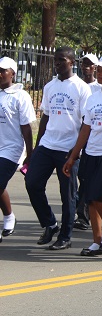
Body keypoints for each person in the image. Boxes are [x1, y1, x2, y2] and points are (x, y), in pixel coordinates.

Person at [25, 47, 91, 250]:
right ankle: (50, 224)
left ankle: (65, 235)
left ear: (72, 62)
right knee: (32, 182)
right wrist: (37, 146)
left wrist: (77, 150)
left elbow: (86, 121)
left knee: (67, 194)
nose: (57, 63)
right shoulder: (50, 86)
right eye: (56, 60)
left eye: (62, 60)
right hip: (47, 144)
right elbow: (45, 116)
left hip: (68, 148)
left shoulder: (81, 88)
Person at [62, 55, 102, 256]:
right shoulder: (93, 97)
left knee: (99, 196)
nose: (99, 73)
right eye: (99, 69)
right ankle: (96, 241)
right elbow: (85, 129)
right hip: (91, 152)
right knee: (89, 198)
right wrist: (74, 155)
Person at [0, 57, 36, 242]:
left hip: (11, 149)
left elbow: (26, 128)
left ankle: (7, 218)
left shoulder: (20, 96)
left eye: (3, 70)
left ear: (12, 74)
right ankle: (9, 216)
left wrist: (29, 155)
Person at [73, 53, 102, 230]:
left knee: (87, 178)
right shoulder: (76, 85)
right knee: (80, 175)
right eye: (83, 63)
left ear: (95, 68)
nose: (85, 67)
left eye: (89, 64)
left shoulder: (98, 88)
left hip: (92, 137)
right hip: (76, 135)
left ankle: (83, 215)